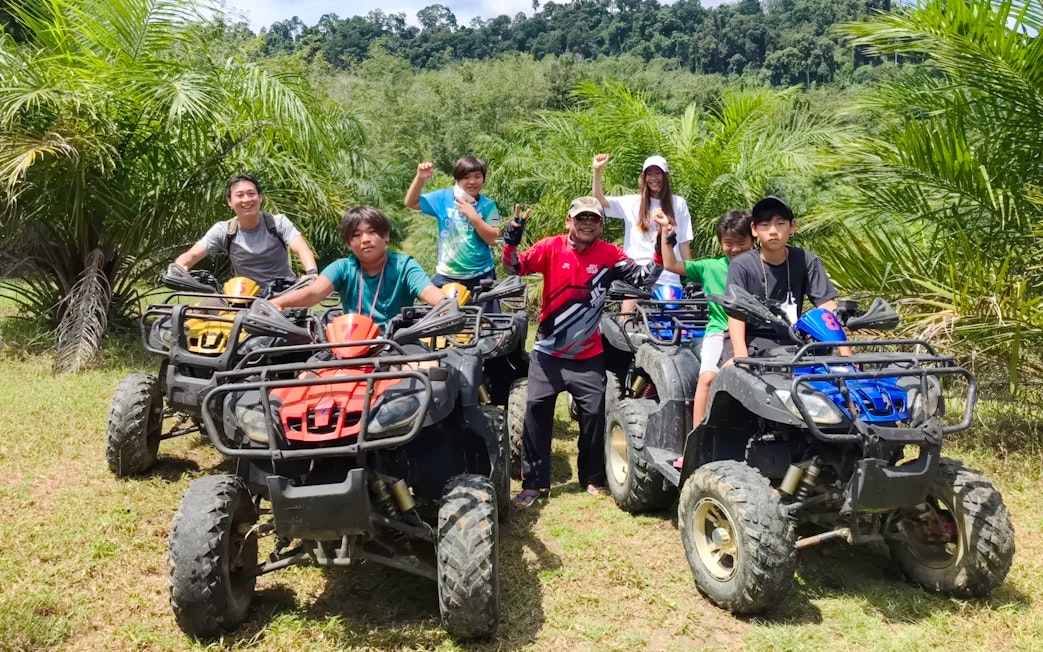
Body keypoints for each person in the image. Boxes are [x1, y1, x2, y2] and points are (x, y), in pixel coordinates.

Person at [502, 196, 663, 508]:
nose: (587, 223)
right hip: (547, 354)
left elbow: (645, 278)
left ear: (601, 225)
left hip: (588, 354)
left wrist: (660, 240)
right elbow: (514, 267)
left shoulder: (610, 254)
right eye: (581, 218)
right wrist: (512, 237)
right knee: (535, 411)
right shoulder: (550, 247)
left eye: (594, 219)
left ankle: (591, 477)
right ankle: (534, 484)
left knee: (594, 416)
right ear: (569, 222)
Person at [654, 208, 754, 428]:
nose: (735, 249)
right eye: (729, 243)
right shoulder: (710, 267)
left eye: (741, 242)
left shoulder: (761, 266)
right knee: (708, 378)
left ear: (753, 238)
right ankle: (696, 438)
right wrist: (665, 233)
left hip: (755, 333)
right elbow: (671, 264)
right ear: (721, 243)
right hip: (719, 331)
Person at [272, 206, 445, 330]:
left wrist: (445, 304)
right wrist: (274, 304)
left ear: (385, 236)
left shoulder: (404, 265)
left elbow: (427, 290)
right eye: (356, 235)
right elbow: (312, 293)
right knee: (306, 376)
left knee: (425, 371)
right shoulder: (342, 267)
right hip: (350, 342)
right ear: (349, 243)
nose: (365, 240)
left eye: (372, 232)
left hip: (399, 341)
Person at [724, 196, 844, 362]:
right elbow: (736, 314)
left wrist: (845, 353)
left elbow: (827, 307)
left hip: (795, 340)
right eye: (765, 225)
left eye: (780, 224)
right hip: (750, 339)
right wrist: (741, 357)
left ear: (792, 227)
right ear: (754, 229)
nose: (773, 231)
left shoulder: (806, 260)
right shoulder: (741, 265)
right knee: (730, 376)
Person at [174, 173, 318, 288]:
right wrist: (179, 267)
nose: (246, 199)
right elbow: (192, 255)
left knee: (303, 321)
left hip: (284, 292)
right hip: (243, 295)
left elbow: (302, 250)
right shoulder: (224, 230)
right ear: (230, 202)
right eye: (240, 195)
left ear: (260, 197)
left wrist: (311, 273)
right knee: (197, 312)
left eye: (251, 194)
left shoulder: (278, 223)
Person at [591, 152, 694, 292]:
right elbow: (599, 201)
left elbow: (683, 243)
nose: (654, 178)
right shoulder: (633, 202)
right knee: (630, 314)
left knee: (670, 313)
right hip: (637, 275)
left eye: (658, 173)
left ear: (665, 176)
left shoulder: (678, 203)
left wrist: (691, 277)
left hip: (669, 278)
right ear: (644, 177)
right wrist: (597, 170)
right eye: (649, 174)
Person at [404, 157, 502, 294]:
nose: (472, 182)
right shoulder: (443, 198)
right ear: (456, 179)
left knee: (486, 316)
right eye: (466, 177)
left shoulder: (488, 205)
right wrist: (420, 178)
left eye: (477, 177)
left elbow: (494, 240)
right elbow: (411, 202)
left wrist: (473, 216)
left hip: (482, 275)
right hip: (447, 276)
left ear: (483, 180)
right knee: (442, 315)